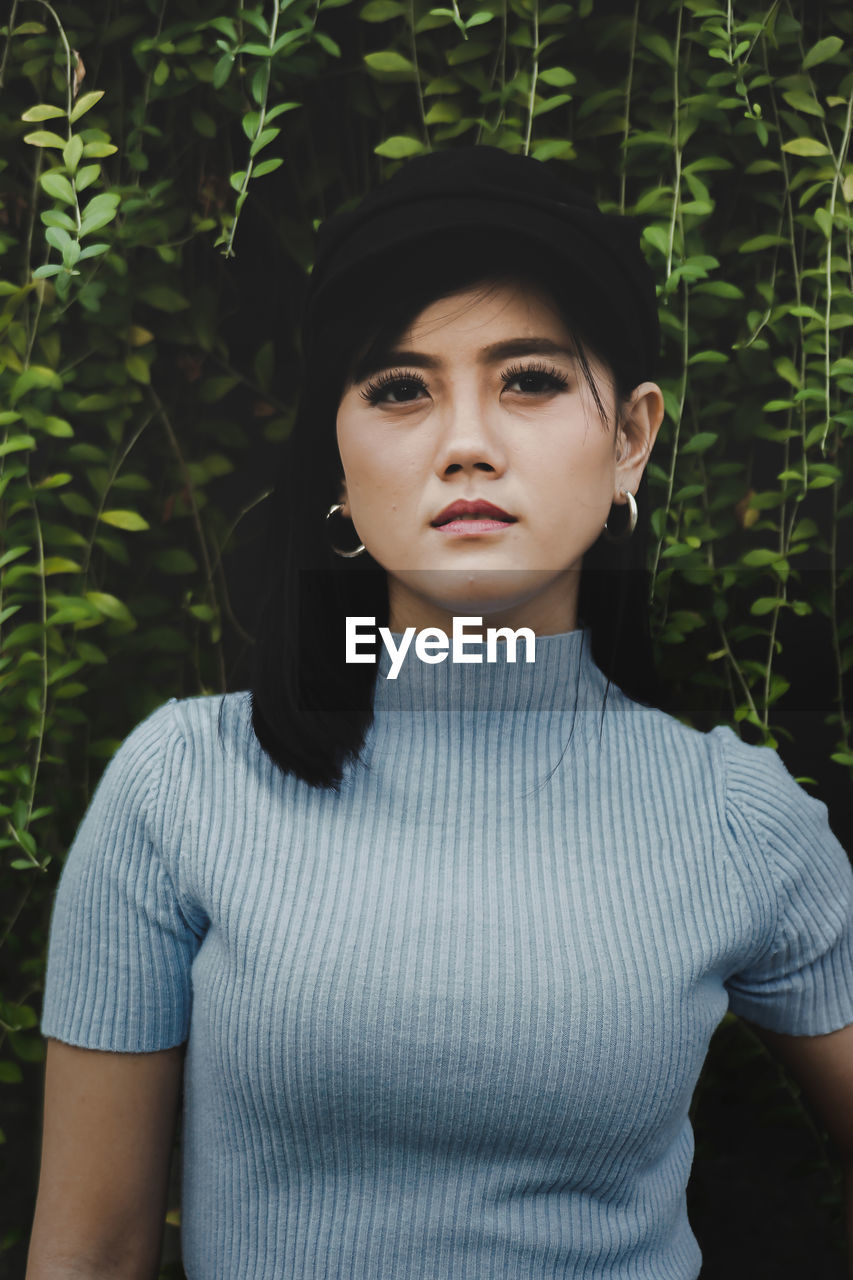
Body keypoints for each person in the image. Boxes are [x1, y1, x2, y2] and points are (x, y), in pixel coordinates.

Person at [27, 147, 853, 1280]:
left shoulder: (735, 814)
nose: (466, 441)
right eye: (400, 388)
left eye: (529, 379)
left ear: (631, 437)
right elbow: (91, 1250)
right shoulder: (182, 784)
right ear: (337, 448)